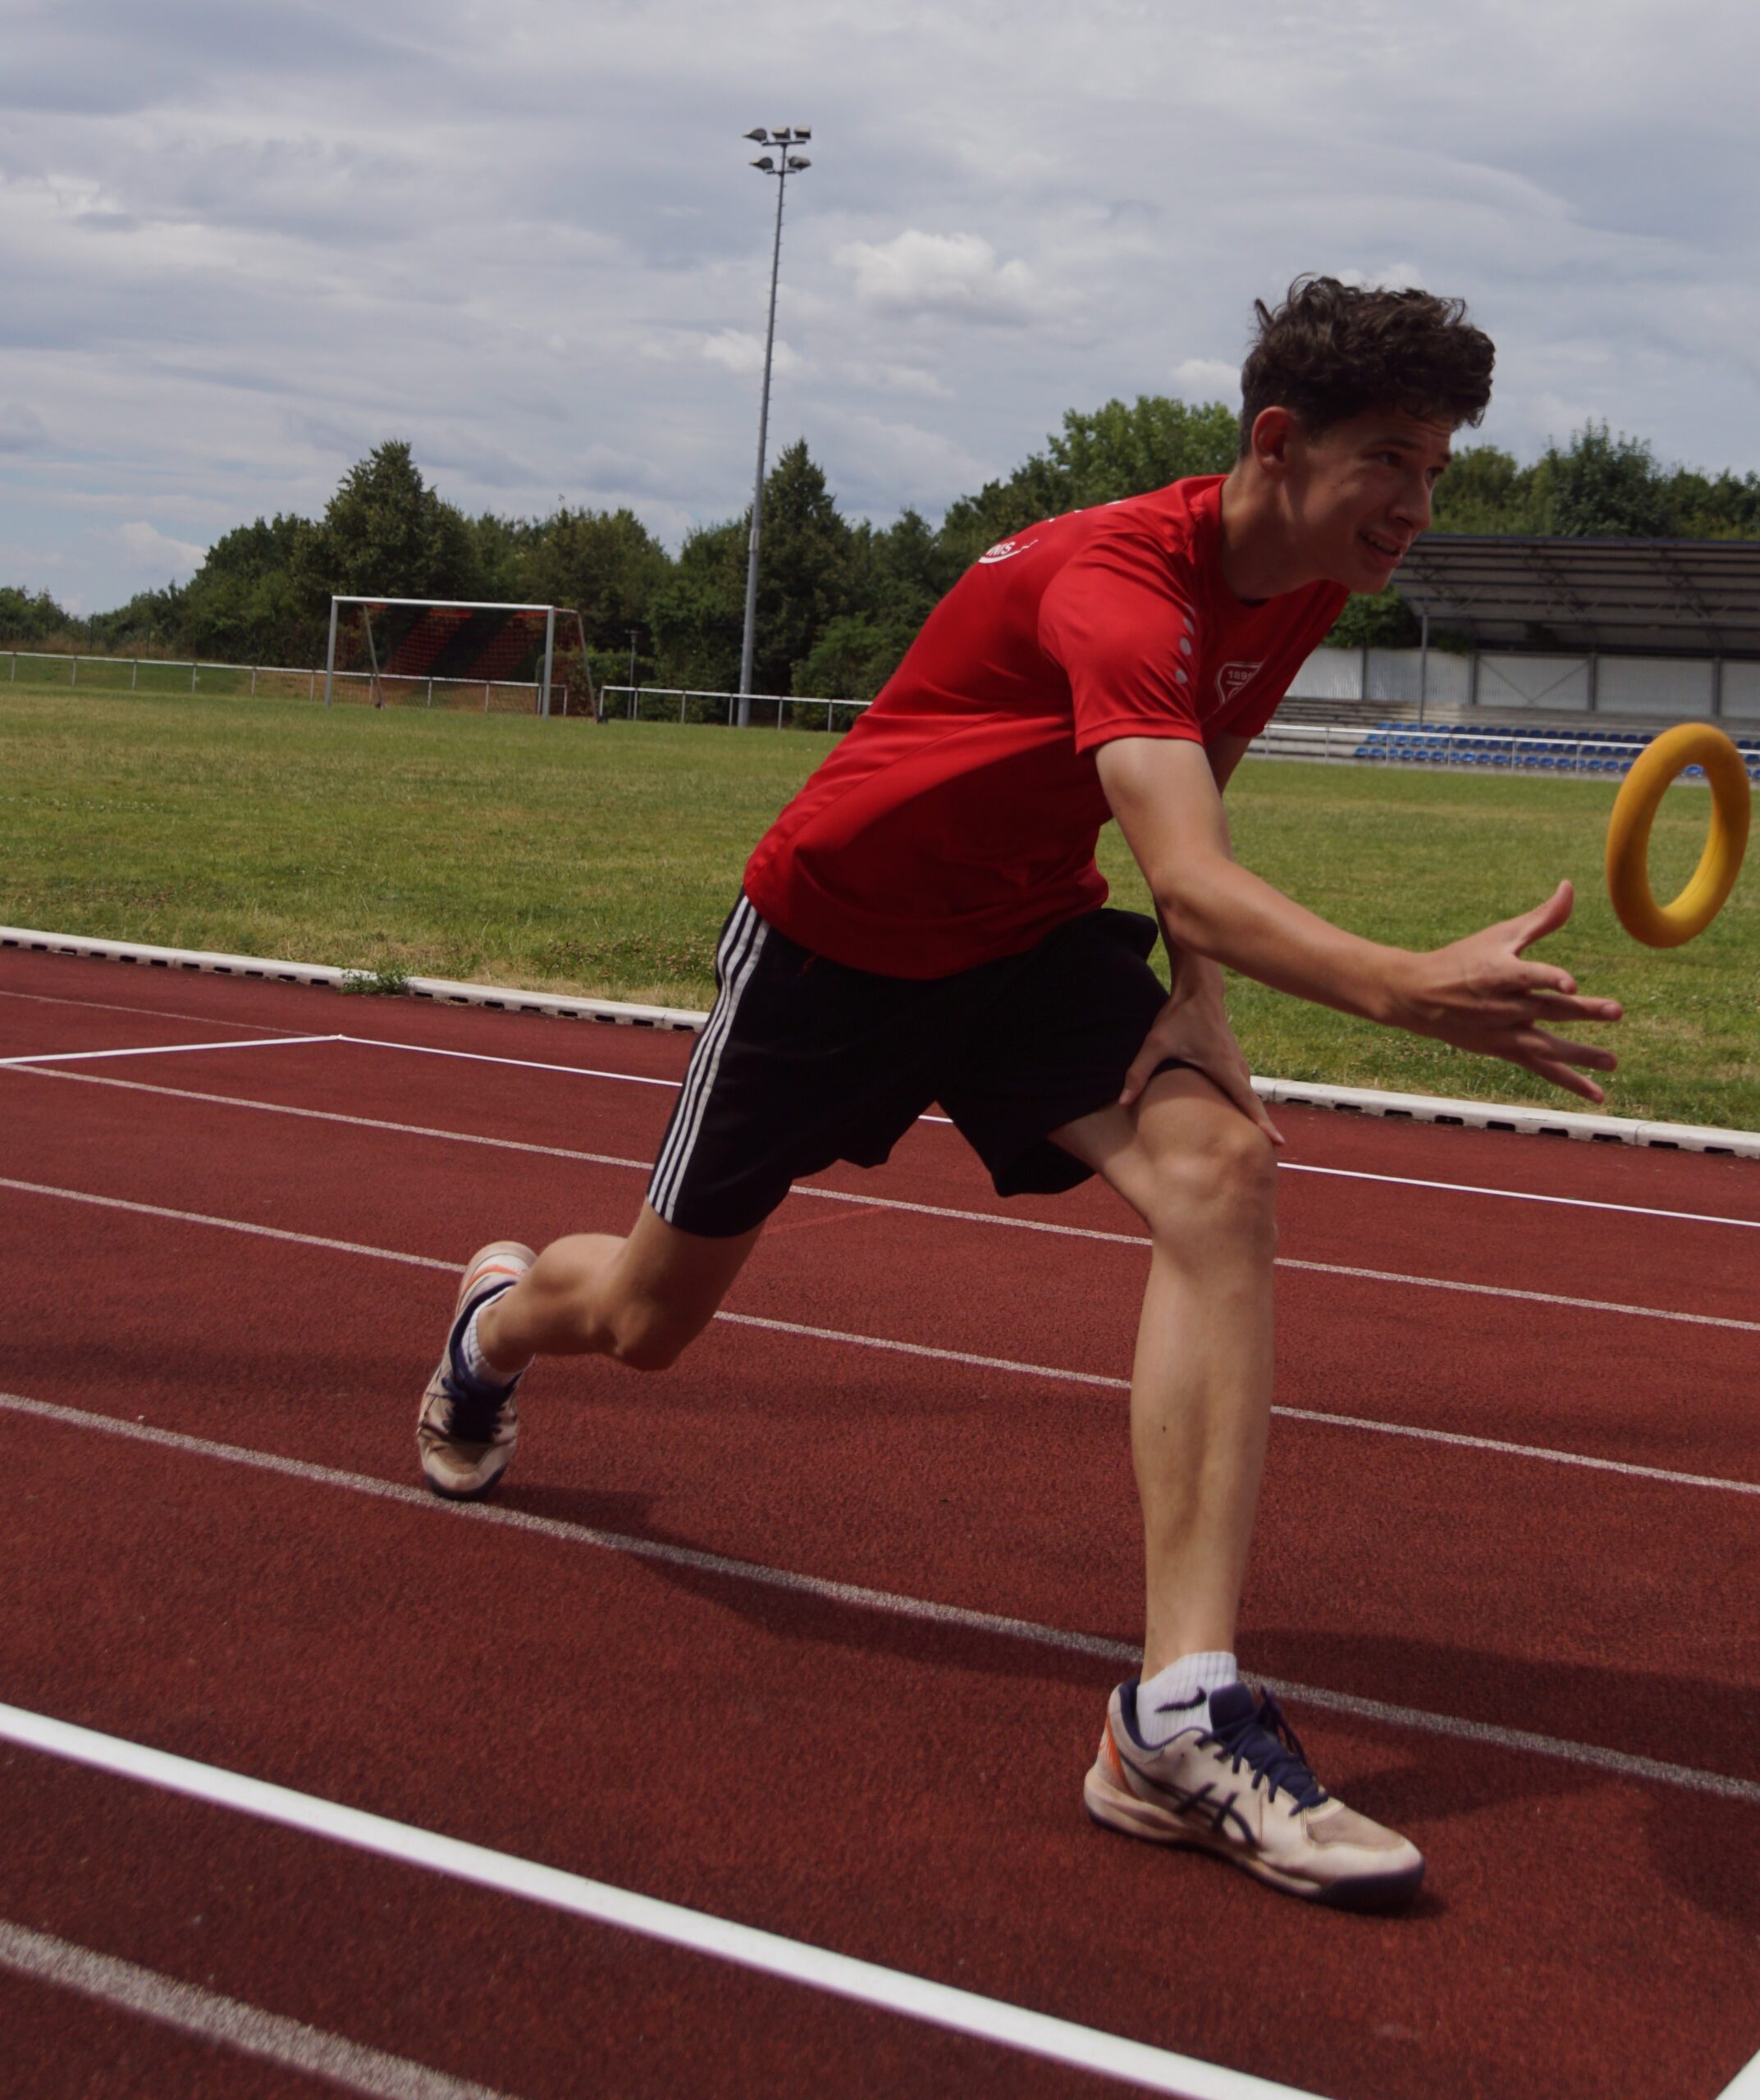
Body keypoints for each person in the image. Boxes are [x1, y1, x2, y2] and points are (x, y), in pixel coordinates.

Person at [416, 276, 1621, 1911]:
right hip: (834, 944)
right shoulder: (1119, 583)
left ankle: (1175, 1716)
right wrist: (1404, 986)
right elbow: (1188, 873)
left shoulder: (1300, 579)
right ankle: (493, 1325)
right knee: (642, 1317)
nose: (1415, 505)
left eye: (1437, 470)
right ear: (1277, 443)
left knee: (1222, 1172)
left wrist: (1198, 1008)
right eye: (1389, 463)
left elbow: (1191, 801)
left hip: (1023, 938)